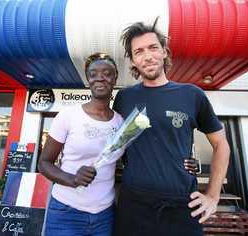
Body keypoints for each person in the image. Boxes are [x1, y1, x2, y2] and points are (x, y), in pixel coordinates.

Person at [112, 18, 230, 236]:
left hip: (182, 207)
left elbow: (221, 144)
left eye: (153, 48)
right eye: (138, 52)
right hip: (133, 207)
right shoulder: (124, 98)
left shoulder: (192, 94)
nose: (147, 56)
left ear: (164, 52)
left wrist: (213, 196)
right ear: (133, 62)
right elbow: (114, 145)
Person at [38, 53, 124, 236]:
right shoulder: (68, 116)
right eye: (93, 74)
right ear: (88, 79)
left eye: (107, 73)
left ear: (115, 77)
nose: (100, 78)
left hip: (105, 214)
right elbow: (44, 163)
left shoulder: (121, 123)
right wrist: (72, 179)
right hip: (66, 211)